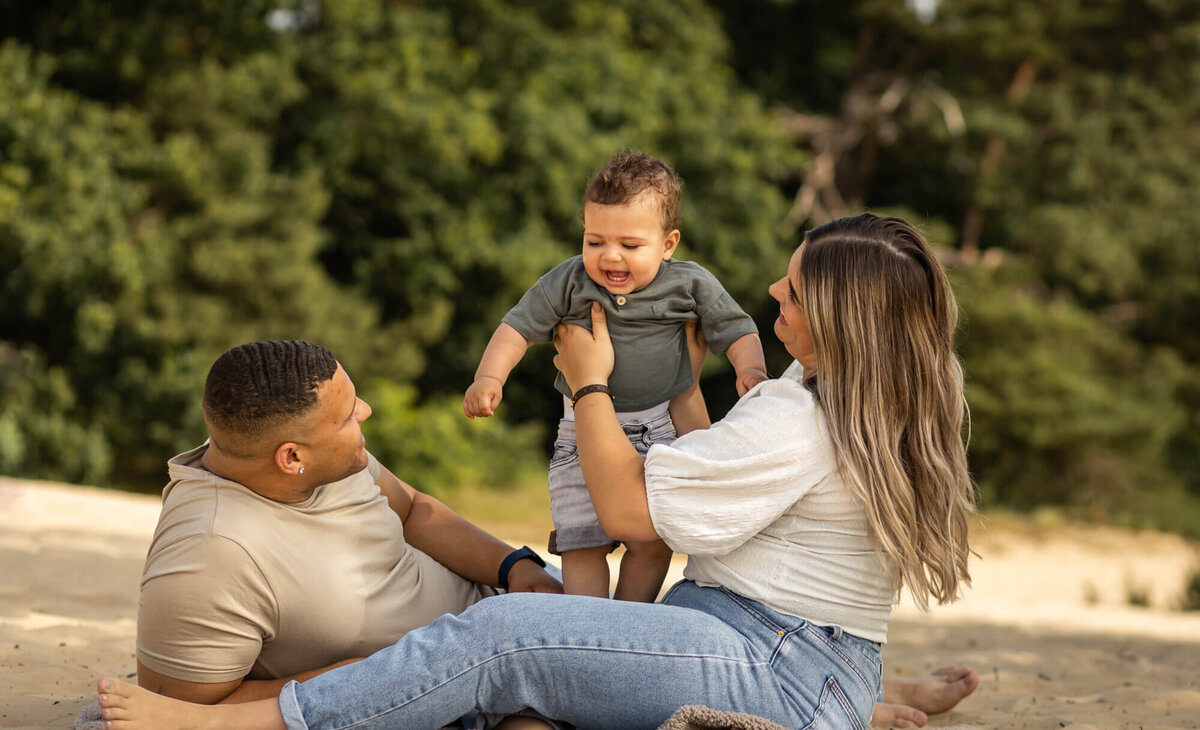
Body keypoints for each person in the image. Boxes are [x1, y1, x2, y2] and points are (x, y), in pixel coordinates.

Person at [97, 213, 978, 729]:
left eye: (793, 291)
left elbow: (631, 513)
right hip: (795, 648)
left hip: (773, 657)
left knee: (508, 634)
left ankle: (244, 728)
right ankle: (857, 701)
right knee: (559, 618)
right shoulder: (856, 393)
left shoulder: (800, 414)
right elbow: (711, 472)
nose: (775, 297)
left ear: (837, 317)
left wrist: (589, 381)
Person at [134, 340, 562, 706]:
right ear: (292, 458)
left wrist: (514, 566)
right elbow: (180, 708)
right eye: (347, 416)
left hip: (512, 612)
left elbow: (411, 511)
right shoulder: (209, 553)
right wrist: (358, 679)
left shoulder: (319, 455)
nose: (366, 410)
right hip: (474, 677)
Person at [463, 150, 768, 601]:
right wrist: (489, 378)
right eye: (594, 241)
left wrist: (752, 368)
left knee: (653, 541)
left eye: (630, 245)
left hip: (659, 432)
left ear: (668, 244)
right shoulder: (569, 282)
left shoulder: (688, 283)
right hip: (579, 434)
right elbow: (518, 326)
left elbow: (736, 327)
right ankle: (586, 628)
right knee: (581, 545)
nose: (610, 257)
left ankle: (629, 621)